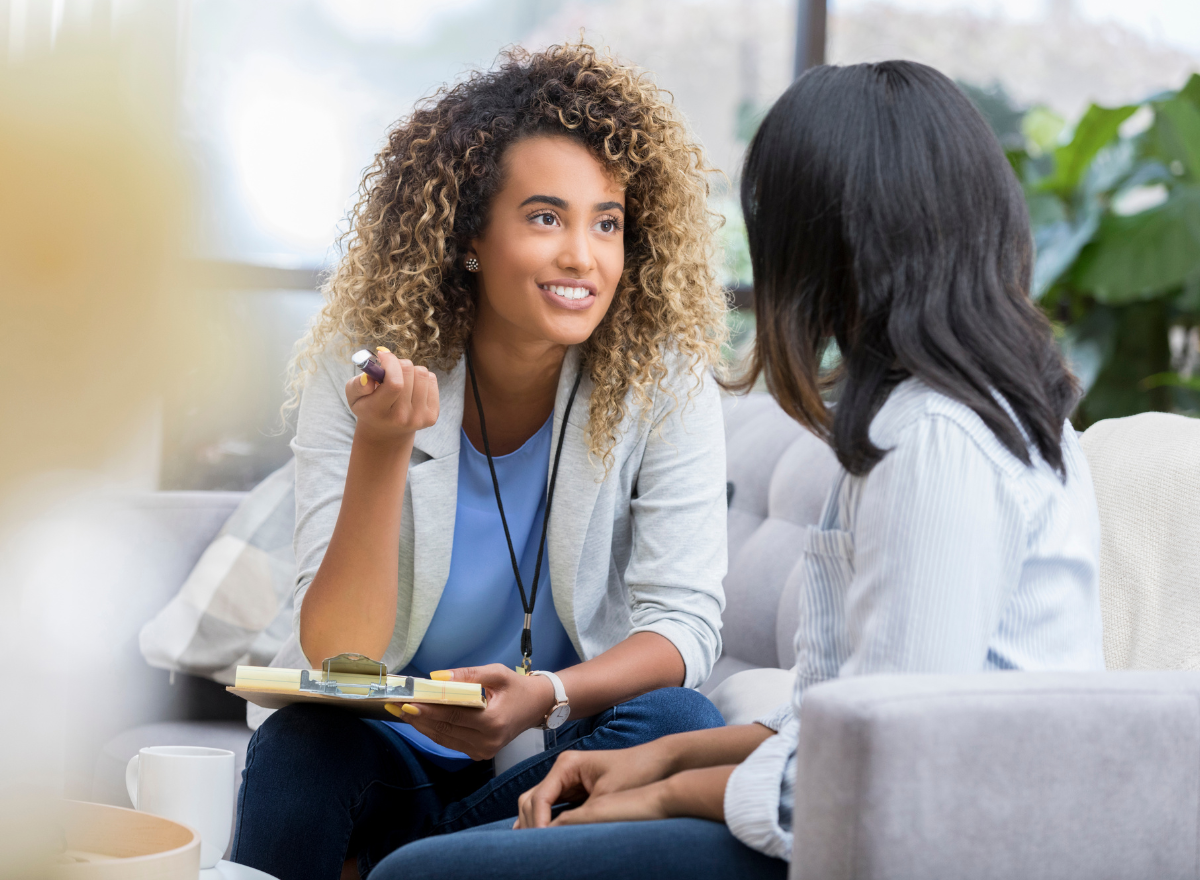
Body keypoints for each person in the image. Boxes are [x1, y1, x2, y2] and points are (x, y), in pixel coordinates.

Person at [369, 59, 1106, 880]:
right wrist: (654, 761)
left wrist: (663, 796)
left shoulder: (940, 440)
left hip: (906, 848)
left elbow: (889, 775)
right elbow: (831, 720)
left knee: (418, 875)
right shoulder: (927, 419)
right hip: (844, 817)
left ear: (829, 240)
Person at [231, 43, 731, 879]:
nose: (583, 256)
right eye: (546, 217)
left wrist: (554, 696)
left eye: (606, 222)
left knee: (677, 717)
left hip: (548, 751)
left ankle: (409, 865)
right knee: (301, 743)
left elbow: (685, 623)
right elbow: (335, 655)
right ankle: (445, 861)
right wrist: (384, 446)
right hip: (383, 747)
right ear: (469, 236)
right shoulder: (364, 368)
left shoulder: (664, 381)